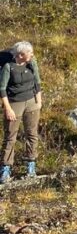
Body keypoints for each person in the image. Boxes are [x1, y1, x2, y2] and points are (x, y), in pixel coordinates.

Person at [1, 41, 42, 183]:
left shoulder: (32, 63)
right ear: (20, 55)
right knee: (10, 136)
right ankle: (6, 168)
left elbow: (37, 82)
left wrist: (39, 102)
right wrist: (8, 108)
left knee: (32, 134)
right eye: (29, 52)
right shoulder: (8, 67)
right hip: (14, 104)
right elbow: (2, 89)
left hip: (31, 103)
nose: (32, 54)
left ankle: (31, 166)